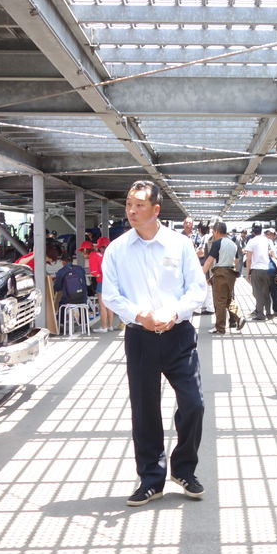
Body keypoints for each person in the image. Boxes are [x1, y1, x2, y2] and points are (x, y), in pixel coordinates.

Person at [101, 180, 208, 507]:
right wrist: (139, 315)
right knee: (144, 410)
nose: (132, 211)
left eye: (139, 205)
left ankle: (183, 469)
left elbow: (197, 289)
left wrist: (175, 313)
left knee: (194, 403)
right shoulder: (117, 249)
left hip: (179, 335)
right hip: (140, 338)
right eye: (129, 204)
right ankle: (151, 479)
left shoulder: (179, 245)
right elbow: (110, 295)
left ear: (156, 209)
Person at [202, 222, 244, 335]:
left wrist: (201, 275)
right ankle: (239, 317)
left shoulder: (217, 243)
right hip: (231, 273)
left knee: (219, 301)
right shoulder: (233, 244)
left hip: (220, 273)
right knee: (228, 299)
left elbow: (209, 261)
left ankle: (220, 327)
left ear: (216, 231)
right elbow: (237, 260)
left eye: (213, 232)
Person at [244, 225, 275, 321]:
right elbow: (273, 255)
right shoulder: (267, 240)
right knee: (266, 292)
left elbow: (249, 259)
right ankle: (269, 313)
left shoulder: (251, 241)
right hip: (267, 269)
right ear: (261, 230)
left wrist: (248, 273)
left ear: (253, 231)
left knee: (257, 292)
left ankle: (260, 314)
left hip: (256, 269)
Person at [88, 237, 116, 333]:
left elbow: (95, 272)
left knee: (102, 305)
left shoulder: (97, 255)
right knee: (110, 305)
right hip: (111, 282)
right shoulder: (112, 255)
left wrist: (97, 275)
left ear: (100, 247)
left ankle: (104, 327)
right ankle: (110, 326)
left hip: (102, 282)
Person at [265, 228, 277, 318]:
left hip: (274, 272)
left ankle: (276, 311)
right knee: (264, 292)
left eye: (271, 234)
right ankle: (264, 311)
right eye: (267, 234)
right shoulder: (263, 245)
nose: (269, 236)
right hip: (265, 271)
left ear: (275, 235)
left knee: (275, 292)